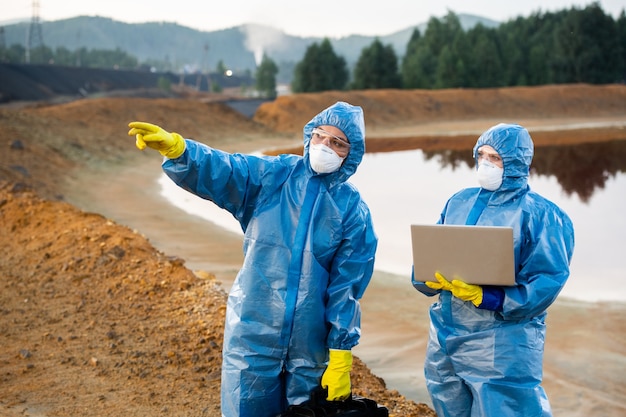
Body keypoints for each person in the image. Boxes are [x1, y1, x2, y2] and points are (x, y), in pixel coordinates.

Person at [127, 101, 378, 417]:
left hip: (308, 350)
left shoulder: (352, 211)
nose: (325, 146)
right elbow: (227, 170)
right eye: (320, 136)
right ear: (309, 137)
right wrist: (181, 151)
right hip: (253, 334)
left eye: (337, 142)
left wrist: (340, 355)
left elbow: (347, 288)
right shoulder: (273, 177)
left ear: (350, 154)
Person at [411, 123, 575, 417]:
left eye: (495, 158)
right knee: (447, 400)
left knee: (504, 408)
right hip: (446, 332)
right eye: (482, 155)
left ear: (516, 162)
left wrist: (490, 297)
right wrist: (428, 277)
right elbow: (433, 249)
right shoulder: (460, 200)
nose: (485, 164)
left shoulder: (542, 215)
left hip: (502, 342)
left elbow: (548, 279)